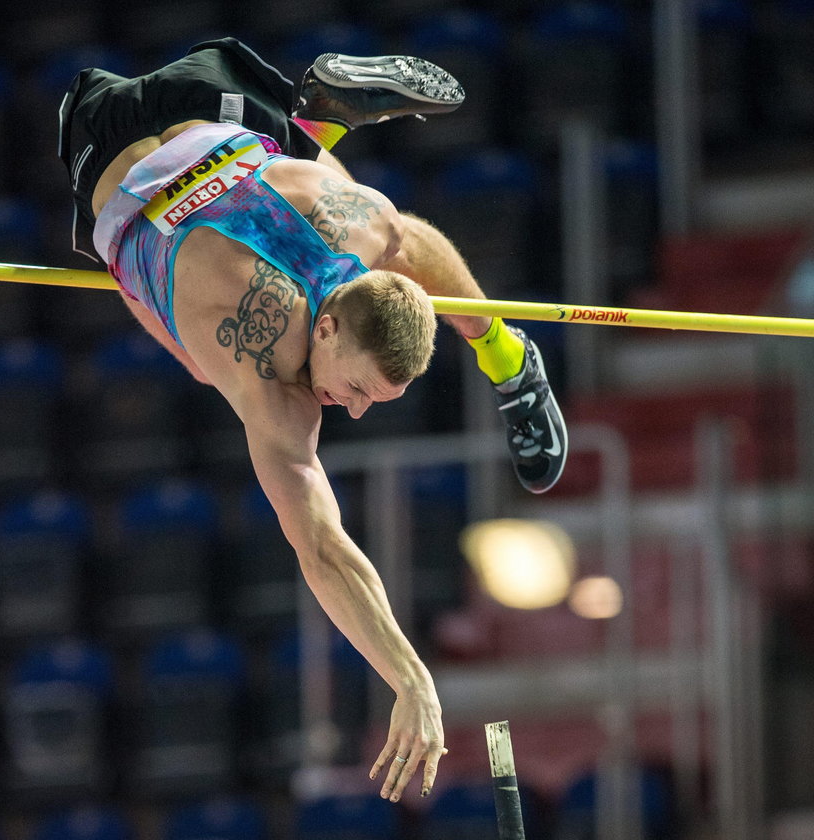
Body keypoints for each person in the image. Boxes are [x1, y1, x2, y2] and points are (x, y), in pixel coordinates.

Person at [58, 38, 568, 803]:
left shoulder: (359, 224)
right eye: (358, 388)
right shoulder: (269, 375)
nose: (353, 408)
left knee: (397, 230)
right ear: (324, 330)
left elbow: (407, 256)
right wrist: (410, 677)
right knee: (208, 360)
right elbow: (323, 549)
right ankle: (497, 343)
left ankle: (318, 124)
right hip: (116, 160)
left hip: (213, 103)